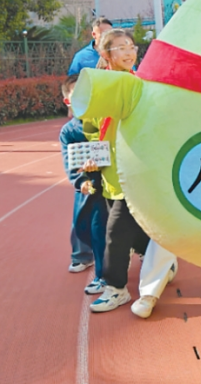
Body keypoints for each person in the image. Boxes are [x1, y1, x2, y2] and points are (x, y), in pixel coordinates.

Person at [81, 29, 151, 313]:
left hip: (137, 168)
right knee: (132, 225)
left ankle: (116, 288)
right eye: (120, 47)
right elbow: (91, 127)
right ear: (105, 53)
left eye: (131, 46)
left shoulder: (143, 84)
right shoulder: (98, 86)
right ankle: (156, 259)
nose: (129, 52)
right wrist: (92, 156)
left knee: (116, 231)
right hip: (110, 170)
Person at [59, 74, 108, 295]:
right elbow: (70, 162)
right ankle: (89, 261)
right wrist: (81, 181)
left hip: (114, 182)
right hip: (90, 185)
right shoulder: (69, 132)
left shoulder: (106, 121)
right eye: (75, 93)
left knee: (120, 225)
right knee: (86, 223)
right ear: (67, 100)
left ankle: (148, 255)